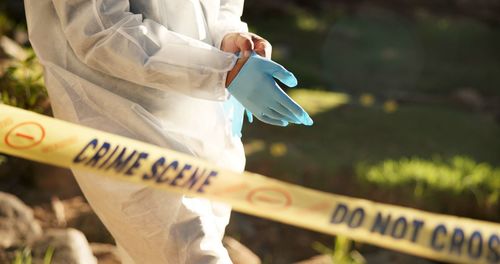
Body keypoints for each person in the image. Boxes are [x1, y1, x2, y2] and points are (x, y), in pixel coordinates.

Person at [24, 0, 312, 263]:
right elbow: (99, 31)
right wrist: (220, 71)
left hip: (202, 114)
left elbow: (223, 7)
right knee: (192, 252)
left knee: (176, 247)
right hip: (119, 119)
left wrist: (231, 39)